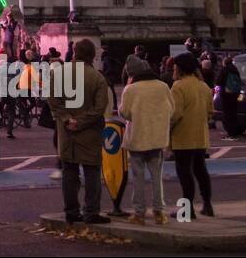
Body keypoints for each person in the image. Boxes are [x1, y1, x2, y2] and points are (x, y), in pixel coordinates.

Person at [48, 38, 110, 224]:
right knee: (92, 172)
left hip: (67, 132)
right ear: (92, 55)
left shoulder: (60, 73)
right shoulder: (98, 77)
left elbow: (53, 100)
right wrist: (81, 121)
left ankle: (71, 212)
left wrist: (68, 120)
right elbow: (100, 108)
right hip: (89, 132)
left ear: (74, 53)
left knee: (69, 172)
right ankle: (91, 212)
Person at [118, 54, 175, 225]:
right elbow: (171, 109)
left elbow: (124, 112)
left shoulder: (131, 89)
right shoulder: (162, 86)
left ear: (132, 74)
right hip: (157, 138)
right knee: (157, 177)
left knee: (138, 177)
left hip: (137, 137)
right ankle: (159, 212)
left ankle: (139, 213)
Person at [169, 52, 215, 218]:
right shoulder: (203, 86)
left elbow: (175, 114)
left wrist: (167, 128)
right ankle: (207, 204)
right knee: (201, 170)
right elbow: (210, 111)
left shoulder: (178, 87)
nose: (173, 70)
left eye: (174, 67)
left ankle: (187, 210)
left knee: (185, 174)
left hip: (182, 137)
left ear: (179, 69)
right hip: (200, 136)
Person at [218, 55, 243, 139]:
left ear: (224, 62)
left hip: (226, 95)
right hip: (235, 94)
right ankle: (235, 131)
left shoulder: (224, 70)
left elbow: (219, 81)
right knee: (233, 113)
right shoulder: (235, 70)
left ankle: (230, 133)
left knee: (227, 114)